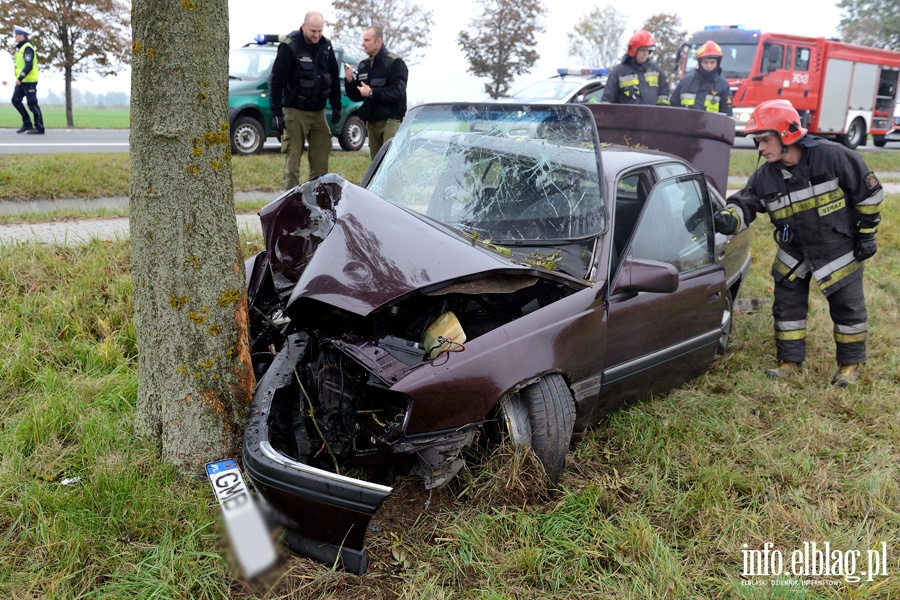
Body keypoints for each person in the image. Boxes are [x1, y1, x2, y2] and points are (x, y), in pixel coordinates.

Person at [712, 100, 882, 386]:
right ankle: (789, 362)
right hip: (794, 253)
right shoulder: (765, 175)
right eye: (757, 142)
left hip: (838, 250)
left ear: (787, 134)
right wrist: (730, 218)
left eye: (765, 140)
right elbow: (745, 203)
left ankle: (849, 366)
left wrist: (866, 235)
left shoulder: (835, 157)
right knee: (786, 308)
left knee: (848, 309)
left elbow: (869, 196)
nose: (760, 148)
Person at [268, 11, 342, 190]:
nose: (317, 35)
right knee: (293, 164)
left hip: (318, 112)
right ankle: (290, 204)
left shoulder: (326, 46)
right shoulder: (290, 46)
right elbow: (275, 81)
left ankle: (315, 203)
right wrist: (277, 113)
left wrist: (336, 106)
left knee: (321, 162)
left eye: (319, 31)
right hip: (295, 111)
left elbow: (333, 77)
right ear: (304, 27)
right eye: (312, 31)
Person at [343, 26, 408, 159]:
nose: (363, 43)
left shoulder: (395, 63)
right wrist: (349, 82)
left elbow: (398, 92)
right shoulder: (363, 65)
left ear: (378, 41)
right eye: (363, 40)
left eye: (367, 40)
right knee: (376, 165)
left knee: (390, 163)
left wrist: (373, 93)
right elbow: (357, 96)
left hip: (390, 122)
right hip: (372, 123)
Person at [601, 30, 670, 106]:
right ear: (634, 50)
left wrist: (661, 115)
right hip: (626, 117)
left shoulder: (656, 71)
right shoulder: (618, 72)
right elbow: (607, 101)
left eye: (648, 51)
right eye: (642, 50)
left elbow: (663, 96)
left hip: (652, 117)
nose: (645, 54)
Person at [671, 41, 733, 116]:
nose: (709, 66)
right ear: (699, 63)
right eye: (705, 62)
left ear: (718, 63)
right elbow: (672, 109)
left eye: (712, 62)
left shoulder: (723, 86)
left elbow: (727, 115)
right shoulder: (685, 83)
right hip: (685, 126)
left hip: (711, 127)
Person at [12, 25, 44, 135]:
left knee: (32, 104)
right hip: (22, 81)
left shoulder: (27, 48)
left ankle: (39, 127)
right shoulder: (20, 49)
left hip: (29, 81)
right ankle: (27, 124)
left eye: (17, 35)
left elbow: (29, 65)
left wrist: (20, 77)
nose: (15, 37)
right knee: (15, 100)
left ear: (23, 36)